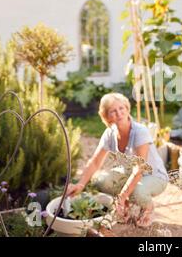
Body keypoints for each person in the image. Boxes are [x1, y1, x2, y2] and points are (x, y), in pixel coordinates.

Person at [66, 93, 169, 227]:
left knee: (136, 192)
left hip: (154, 176)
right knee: (101, 182)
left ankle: (148, 207)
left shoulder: (140, 131)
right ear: (106, 117)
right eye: (113, 111)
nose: (119, 113)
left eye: (122, 108)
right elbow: (95, 162)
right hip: (130, 173)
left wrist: (122, 196)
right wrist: (80, 184)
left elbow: (139, 169)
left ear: (127, 109)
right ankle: (125, 205)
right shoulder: (110, 133)